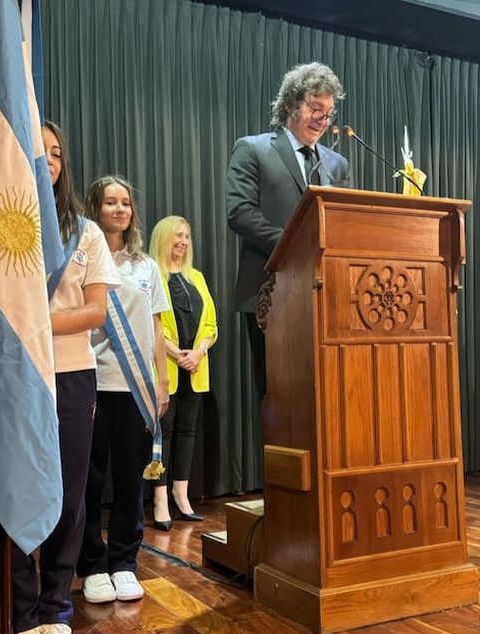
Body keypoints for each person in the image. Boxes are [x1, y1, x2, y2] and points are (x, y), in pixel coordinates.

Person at [0, 121, 118, 634]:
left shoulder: (84, 231)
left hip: (72, 376)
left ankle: (56, 612)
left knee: (69, 497)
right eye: (37, 151)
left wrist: (33, 321)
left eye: (57, 153)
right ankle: (22, 618)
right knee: (15, 494)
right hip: (10, 376)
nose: (49, 161)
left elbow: (96, 312)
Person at [227, 61, 350, 399]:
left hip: (326, 297)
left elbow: (343, 224)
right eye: (315, 108)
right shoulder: (253, 149)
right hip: (271, 295)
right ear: (292, 103)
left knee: (327, 395)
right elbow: (239, 212)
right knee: (279, 400)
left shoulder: (337, 165)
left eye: (328, 112)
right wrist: (293, 246)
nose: (323, 120)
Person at [77, 176, 169, 605]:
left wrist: (162, 382)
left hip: (136, 387)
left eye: (125, 203)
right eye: (110, 202)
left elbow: (155, 326)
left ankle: (125, 563)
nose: (119, 210)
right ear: (95, 208)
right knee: (89, 479)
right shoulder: (81, 258)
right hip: (91, 380)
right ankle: (92, 565)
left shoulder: (146, 265)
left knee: (130, 480)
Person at [147, 216, 218, 528]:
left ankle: (181, 496)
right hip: (166, 369)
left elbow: (212, 325)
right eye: (178, 235)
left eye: (187, 236)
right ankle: (160, 499)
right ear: (164, 238)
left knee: (188, 431)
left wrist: (199, 351)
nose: (183, 242)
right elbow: (150, 325)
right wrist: (176, 354)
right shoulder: (152, 276)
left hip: (195, 368)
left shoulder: (197, 278)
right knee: (164, 432)